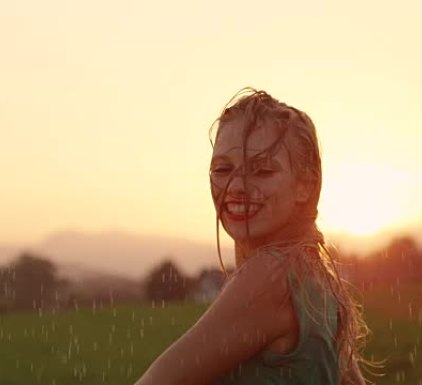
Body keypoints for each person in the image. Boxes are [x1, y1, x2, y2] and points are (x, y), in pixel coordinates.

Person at [135, 88, 370, 385]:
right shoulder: (316, 276)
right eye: (223, 168)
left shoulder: (269, 279)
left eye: (261, 170)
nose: (236, 186)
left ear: (305, 185)